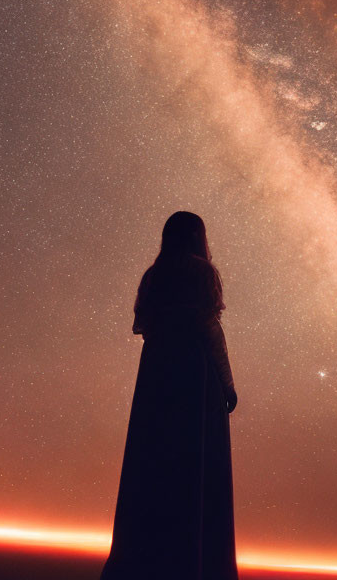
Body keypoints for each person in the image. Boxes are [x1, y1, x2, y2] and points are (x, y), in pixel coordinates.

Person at [100, 211, 239, 580]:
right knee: (195, 468)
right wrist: (228, 386)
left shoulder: (154, 275)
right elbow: (211, 329)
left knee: (153, 465)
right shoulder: (203, 274)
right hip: (196, 378)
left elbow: (141, 325)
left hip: (158, 376)